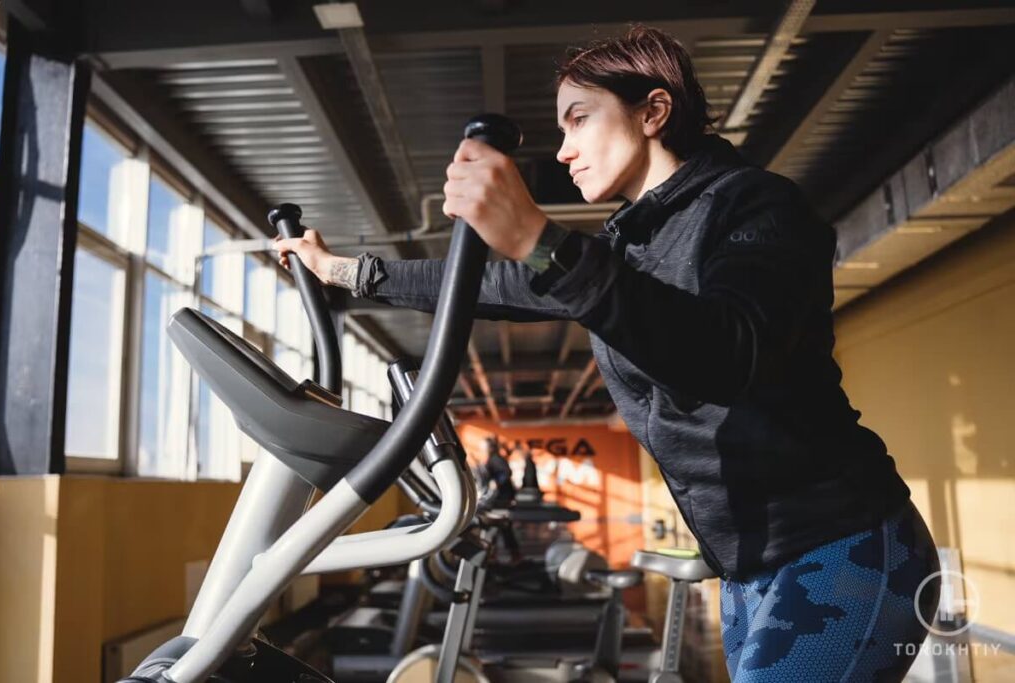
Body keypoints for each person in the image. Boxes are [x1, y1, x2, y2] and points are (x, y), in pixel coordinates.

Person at [276, 25, 940, 682]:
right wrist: (339, 272)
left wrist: (541, 237)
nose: (564, 151)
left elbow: (728, 352)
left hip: (846, 544)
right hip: (749, 566)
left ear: (653, 111)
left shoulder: (758, 205)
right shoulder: (631, 247)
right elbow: (480, 281)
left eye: (578, 120)